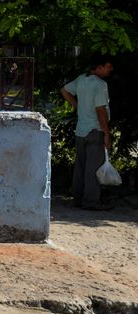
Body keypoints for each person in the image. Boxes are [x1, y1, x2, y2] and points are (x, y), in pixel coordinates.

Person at [60, 54, 114, 210]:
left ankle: (78, 199)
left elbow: (64, 91)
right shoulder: (100, 84)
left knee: (81, 167)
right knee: (93, 169)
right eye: (108, 66)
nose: (111, 70)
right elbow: (101, 111)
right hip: (95, 130)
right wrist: (107, 134)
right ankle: (91, 203)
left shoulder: (81, 79)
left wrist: (78, 107)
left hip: (80, 130)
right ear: (99, 67)